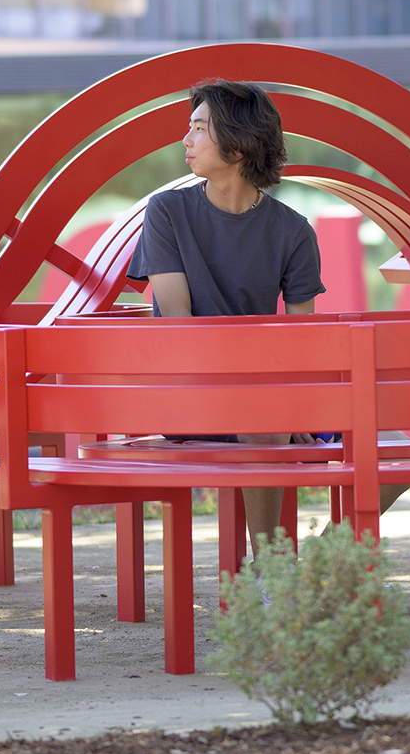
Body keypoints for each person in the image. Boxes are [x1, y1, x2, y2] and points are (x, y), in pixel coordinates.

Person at [133, 80, 328, 546]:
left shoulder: (294, 232)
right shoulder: (166, 212)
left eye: (200, 128)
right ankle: (271, 579)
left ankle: (324, 567)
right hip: (192, 391)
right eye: (190, 127)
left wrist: (294, 404)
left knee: (395, 451)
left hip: (271, 396)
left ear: (238, 145)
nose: (186, 140)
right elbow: (179, 327)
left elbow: (303, 339)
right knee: (264, 422)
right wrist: (273, 404)